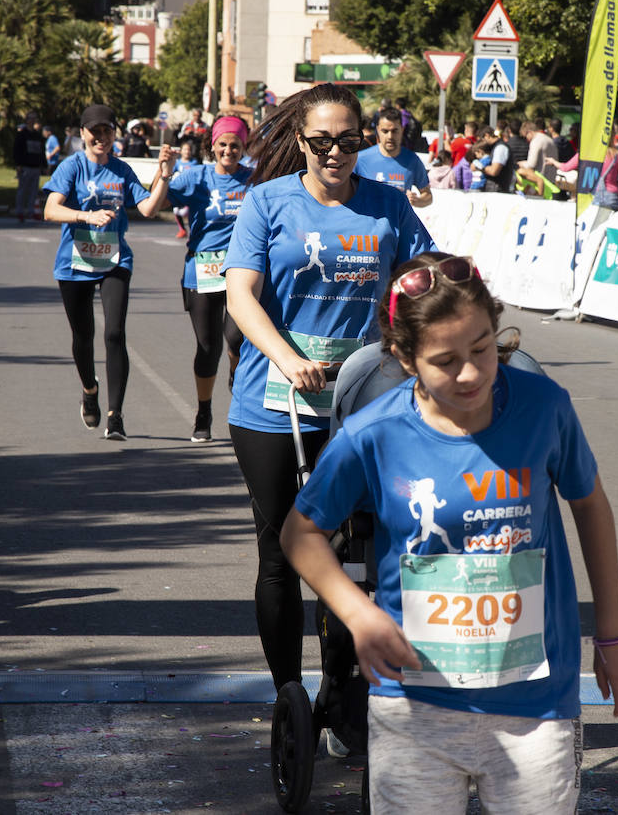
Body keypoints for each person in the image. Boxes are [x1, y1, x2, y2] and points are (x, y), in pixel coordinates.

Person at [280, 251, 618, 814]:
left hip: (536, 705)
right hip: (414, 706)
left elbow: (590, 505)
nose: (470, 373)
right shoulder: (372, 433)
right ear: (403, 357)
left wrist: (614, 635)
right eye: (445, 360)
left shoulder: (544, 408)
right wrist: (359, 614)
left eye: (482, 348)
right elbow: (300, 532)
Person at [223, 83, 435, 691]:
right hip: (274, 401)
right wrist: (287, 358)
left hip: (361, 404)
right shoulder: (267, 202)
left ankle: (341, 695)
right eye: (321, 142)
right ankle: (289, 697)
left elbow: (425, 274)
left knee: (349, 559)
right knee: (281, 552)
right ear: (301, 141)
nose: (335, 153)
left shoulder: (387, 206)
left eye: (348, 140)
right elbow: (240, 294)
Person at [42, 103, 164, 441]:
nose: (101, 137)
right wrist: (86, 216)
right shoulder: (72, 167)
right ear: (82, 133)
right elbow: (51, 210)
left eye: (107, 130)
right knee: (83, 336)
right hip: (75, 263)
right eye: (94, 131)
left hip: (114, 261)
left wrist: (163, 178)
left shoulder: (122, 170)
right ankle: (89, 390)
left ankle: (116, 416)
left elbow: (149, 208)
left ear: (115, 134)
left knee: (114, 333)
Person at [145, 116, 253, 442]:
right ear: (213, 146)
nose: (228, 150)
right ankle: (203, 411)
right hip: (201, 272)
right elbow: (158, 201)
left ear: (243, 147)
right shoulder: (196, 177)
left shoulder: (255, 181)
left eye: (235, 145)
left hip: (241, 272)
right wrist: (164, 171)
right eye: (223, 144)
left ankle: (236, 371)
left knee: (236, 338)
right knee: (208, 347)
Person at [355, 107, 432, 208]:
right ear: (378, 130)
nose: (390, 136)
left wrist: (417, 200)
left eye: (394, 131)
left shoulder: (412, 160)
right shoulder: (360, 159)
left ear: (402, 129)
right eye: (385, 131)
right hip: (367, 222)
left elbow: (428, 196)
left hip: (399, 222)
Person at [13, 112, 45, 223]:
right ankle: (20, 211)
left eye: (34, 119)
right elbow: (17, 151)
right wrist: (18, 165)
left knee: (33, 191)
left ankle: (31, 212)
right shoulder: (22, 135)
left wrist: (43, 165)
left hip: (35, 167)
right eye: (30, 119)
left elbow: (41, 151)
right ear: (27, 120)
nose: (32, 121)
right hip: (25, 167)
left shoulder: (37, 135)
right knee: (22, 190)